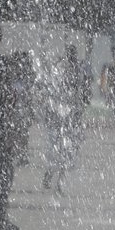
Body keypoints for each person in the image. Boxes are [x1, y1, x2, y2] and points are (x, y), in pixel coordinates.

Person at [0, 21, 26, 230]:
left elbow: (8, 101)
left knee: (6, 172)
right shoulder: (0, 66)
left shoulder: (0, 65)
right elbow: (8, 101)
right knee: (6, 172)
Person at [43, 45, 87, 194]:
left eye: (73, 55)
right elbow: (52, 93)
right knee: (59, 150)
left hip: (68, 117)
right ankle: (51, 174)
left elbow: (81, 94)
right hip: (61, 116)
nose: (72, 58)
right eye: (71, 55)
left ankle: (59, 182)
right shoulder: (62, 69)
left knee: (64, 151)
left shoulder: (75, 71)